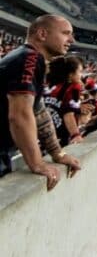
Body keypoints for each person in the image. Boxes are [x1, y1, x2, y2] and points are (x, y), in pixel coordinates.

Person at [0, 14, 82, 189]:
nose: (71, 40)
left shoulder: (30, 58)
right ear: (42, 34)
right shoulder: (30, 58)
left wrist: (58, 154)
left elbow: (39, 112)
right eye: (66, 33)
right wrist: (37, 163)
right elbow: (20, 115)